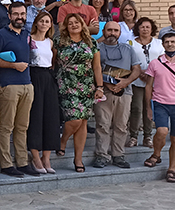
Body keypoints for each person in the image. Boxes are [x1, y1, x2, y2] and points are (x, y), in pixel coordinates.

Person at [0, 2, 37, 177]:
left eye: (22, 14)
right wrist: (13, 65)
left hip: (27, 84)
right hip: (8, 85)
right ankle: (6, 163)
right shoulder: (1, 35)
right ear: (9, 16)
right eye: (16, 14)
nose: (20, 17)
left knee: (22, 126)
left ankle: (23, 162)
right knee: (7, 126)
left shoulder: (26, 34)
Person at [143, 32, 175, 184]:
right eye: (166, 42)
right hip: (160, 103)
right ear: (163, 44)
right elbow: (148, 86)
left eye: (173, 42)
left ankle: (171, 169)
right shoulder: (155, 63)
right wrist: (148, 107)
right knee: (162, 131)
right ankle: (156, 154)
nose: (170, 44)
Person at [56, 13, 103, 173]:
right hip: (67, 85)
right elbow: (52, 62)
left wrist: (100, 86)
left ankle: (78, 159)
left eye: (77, 22)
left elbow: (96, 66)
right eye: (70, 23)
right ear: (66, 26)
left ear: (82, 24)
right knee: (75, 120)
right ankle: (63, 140)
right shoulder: (59, 42)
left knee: (82, 121)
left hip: (86, 86)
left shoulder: (91, 42)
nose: (74, 25)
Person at [93, 22, 142, 169]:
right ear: (104, 31)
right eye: (109, 30)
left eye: (115, 30)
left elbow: (137, 69)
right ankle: (102, 155)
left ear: (119, 33)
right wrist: (107, 85)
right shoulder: (97, 49)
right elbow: (93, 70)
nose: (112, 33)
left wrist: (125, 82)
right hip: (103, 92)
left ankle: (118, 155)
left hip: (124, 92)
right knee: (103, 124)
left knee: (121, 125)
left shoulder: (128, 49)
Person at [27, 11, 60, 174]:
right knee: (35, 116)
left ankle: (47, 156)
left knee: (50, 117)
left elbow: (53, 62)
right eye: (42, 21)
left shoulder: (51, 42)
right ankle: (35, 155)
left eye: (47, 21)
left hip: (48, 78)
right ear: (36, 23)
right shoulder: (29, 39)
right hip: (34, 76)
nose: (44, 24)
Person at [129, 17, 162, 148]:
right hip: (136, 79)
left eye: (148, 27)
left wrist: (150, 74)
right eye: (142, 27)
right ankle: (133, 136)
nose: (145, 29)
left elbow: (162, 60)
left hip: (154, 81)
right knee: (136, 108)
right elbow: (128, 60)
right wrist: (140, 72)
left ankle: (147, 136)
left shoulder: (158, 43)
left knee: (149, 108)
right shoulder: (130, 43)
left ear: (152, 29)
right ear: (138, 28)